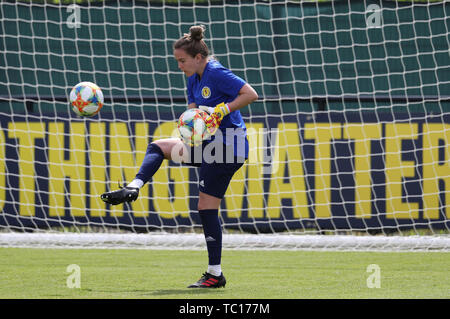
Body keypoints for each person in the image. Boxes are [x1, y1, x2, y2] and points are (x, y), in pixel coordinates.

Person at [101, 25, 258, 288]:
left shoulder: (216, 72)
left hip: (228, 147)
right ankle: (134, 187)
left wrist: (222, 110)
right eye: (177, 61)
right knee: (159, 147)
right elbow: (193, 115)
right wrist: (189, 125)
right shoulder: (192, 79)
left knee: (206, 208)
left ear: (198, 57)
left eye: (182, 60)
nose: (179, 65)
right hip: (210, 144)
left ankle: (215, 274)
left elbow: (250, 94)